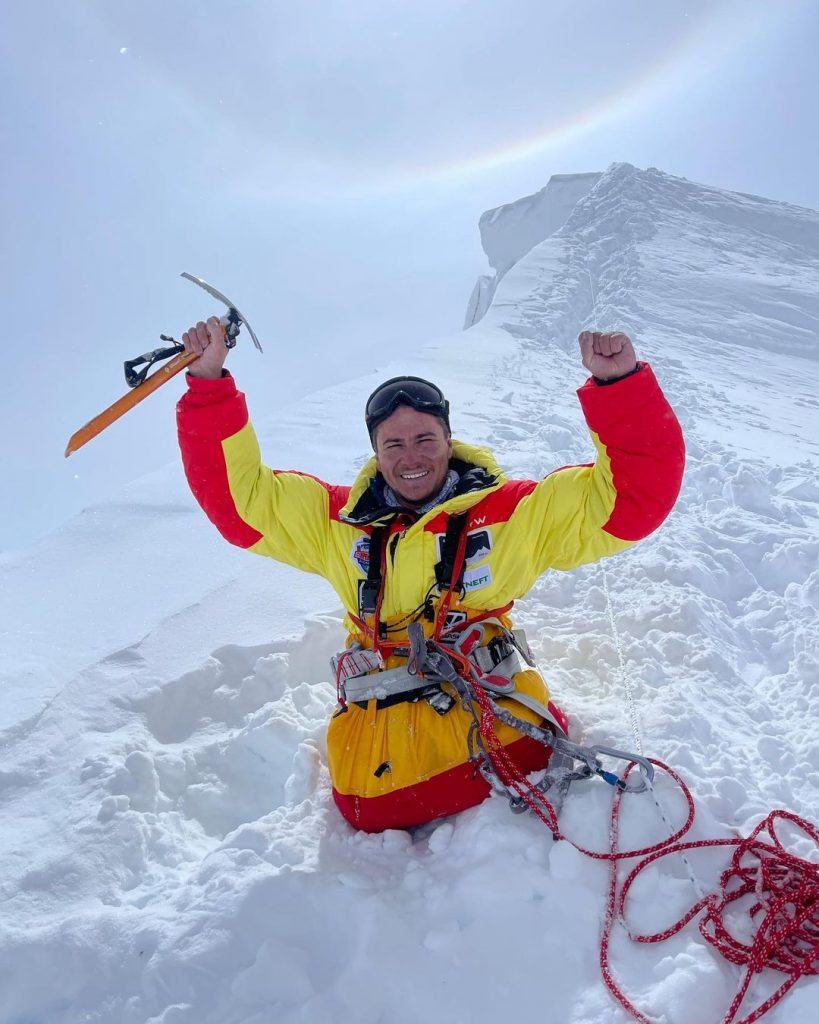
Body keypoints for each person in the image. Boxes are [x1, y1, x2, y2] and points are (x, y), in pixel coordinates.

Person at [177, 321, 684, 832]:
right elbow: (239, 503)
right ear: (375, 451)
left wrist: (620, 387)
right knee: (367, 804)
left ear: (449, 438)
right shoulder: (336, 524)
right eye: (393, 444)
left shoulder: (513, 515)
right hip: (377, 757)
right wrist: (209, 384)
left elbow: (631, 501)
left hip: (495, 727)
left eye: (425, 438)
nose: (411, 457)